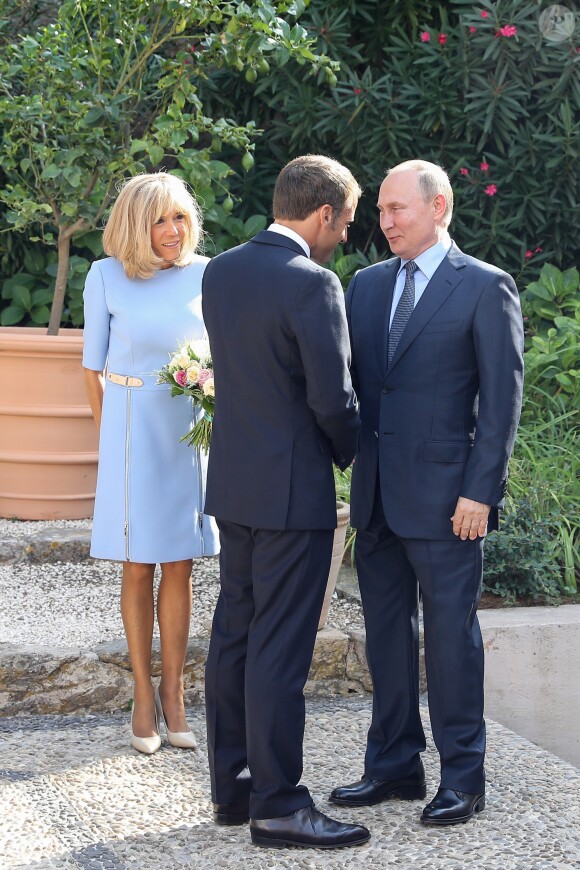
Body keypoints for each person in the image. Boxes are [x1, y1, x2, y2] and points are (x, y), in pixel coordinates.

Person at [329, 160, 524, 825]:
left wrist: (481, 491)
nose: (384, 223)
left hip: (449, 504)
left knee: (449, 641)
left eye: (396, 210)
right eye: (379, 211)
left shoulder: (485, 288)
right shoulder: (367, 285)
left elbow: (502, 403)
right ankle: (393, 768)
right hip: (378, 496)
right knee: (385, 635)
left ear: (438, 206)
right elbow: (355, 388)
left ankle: (464, 779)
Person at [201, 155, 370, 849]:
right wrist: (354, 448)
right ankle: (278, 804)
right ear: (324, 213)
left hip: (235, 484)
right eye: (348, 222)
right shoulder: (313, 282)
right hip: (293, 491)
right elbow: (331, 398)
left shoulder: (222, 270)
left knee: (235, 636)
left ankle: (234, 788)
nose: (346, 237)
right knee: (279, 648)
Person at [83, 172, 219, 755]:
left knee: (181, 564)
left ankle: (175, 693)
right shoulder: (106, 275)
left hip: (189, 432)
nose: (173, 230)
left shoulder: (209, 274)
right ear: (136, 224)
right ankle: (142, 692)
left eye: (181, 217)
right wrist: (110, 440)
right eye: (160, 219)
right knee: (138, 565)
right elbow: (92, 371)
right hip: (131, 429)